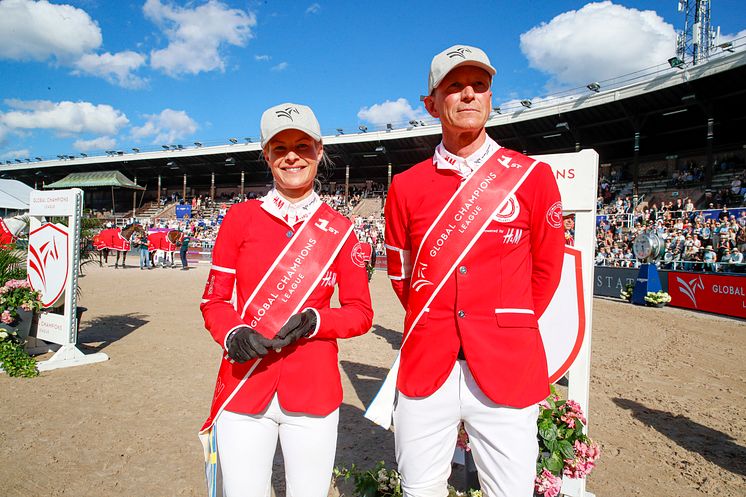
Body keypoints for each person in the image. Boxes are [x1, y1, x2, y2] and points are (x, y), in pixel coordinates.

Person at [384, 45, 564, 497]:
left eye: (479, 86)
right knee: (419, 489)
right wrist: (439, 317)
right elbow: (402, 277)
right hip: (429, 363)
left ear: (489, 98)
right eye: (454, 87)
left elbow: (546, 271)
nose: (468, 95)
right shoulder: (404, 186)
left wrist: (505, 323)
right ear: (431, 103)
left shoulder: (532, 176)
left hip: (507, 363)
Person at [199, 103, 373, 497]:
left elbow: (360, 313)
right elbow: (214, 301)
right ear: (266, 155)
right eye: (280, 148)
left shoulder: (342, 229)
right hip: (245, 382)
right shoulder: (239, 218)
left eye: (302, 145)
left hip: (314, 390)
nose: (292, 155)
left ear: (319, 150)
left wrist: (317, 321)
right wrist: (232, 334)